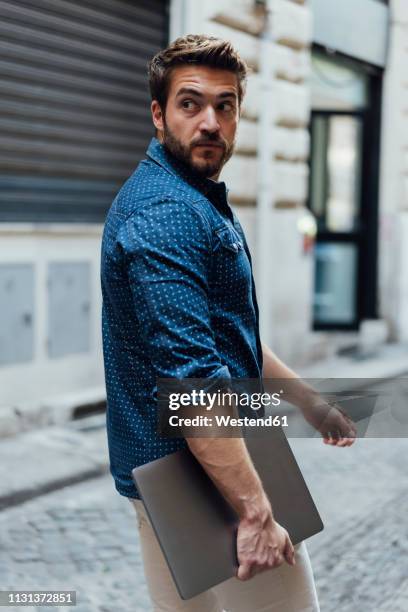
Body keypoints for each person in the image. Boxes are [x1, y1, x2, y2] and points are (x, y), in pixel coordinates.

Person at [100, 34, 356, 612]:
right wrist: (257, 514)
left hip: (168, 475)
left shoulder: (192, 197)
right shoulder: (169, 214)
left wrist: (311, 403)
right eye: (190, 104)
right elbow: (194, 386)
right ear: (159, 113)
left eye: (226, 105)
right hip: (210, 476)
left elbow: (230, 338)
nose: (210, 121)